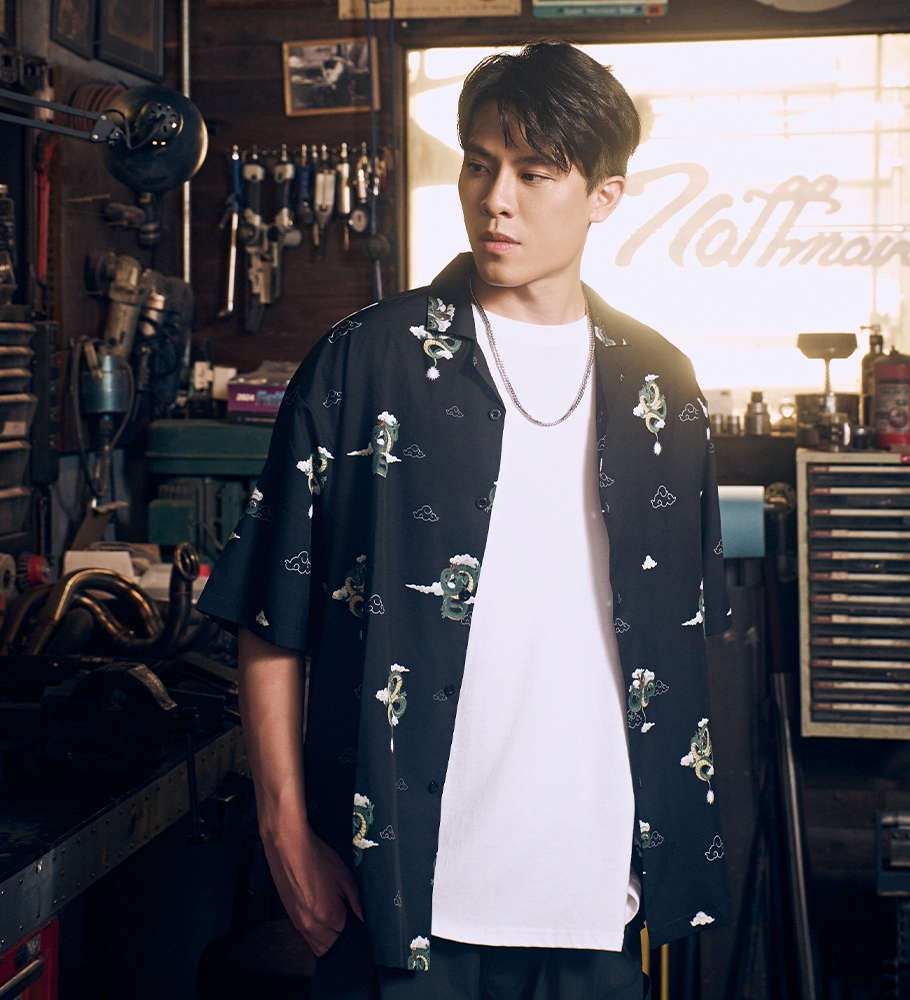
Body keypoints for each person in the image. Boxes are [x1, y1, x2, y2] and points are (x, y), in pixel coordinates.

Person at [197, 41, 732, 1000]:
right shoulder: (366, 361)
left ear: (604, 196)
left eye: (535, 173)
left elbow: (684, 638)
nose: (496, 200)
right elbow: (271, 611)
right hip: (398, 886)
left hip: (595, 889)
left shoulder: (663, 384)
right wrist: (285, 834)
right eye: (479, 166)